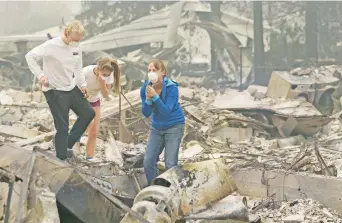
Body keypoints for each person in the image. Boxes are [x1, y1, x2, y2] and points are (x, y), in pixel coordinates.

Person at [25, 20, 95, 161]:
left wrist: (82, 85)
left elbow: (78, 67)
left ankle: (65, 145)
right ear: (66, 33)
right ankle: (61, 157)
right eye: (74, 40)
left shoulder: (77, 47)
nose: (76, 43)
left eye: (79, 40)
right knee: (62, 127)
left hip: (70, 86)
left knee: (88, 113)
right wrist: (41, 75)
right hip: (54, 90)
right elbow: (30, 56)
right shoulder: (51, 46)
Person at [140, 59, 185, 185]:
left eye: (155, 70)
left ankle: (172, 191)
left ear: (163, 72)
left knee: (170, 164)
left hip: (174, 126)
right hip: (156, 128)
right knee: (148, 161)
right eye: (149, 71)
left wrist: (155, 97)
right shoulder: (145, 88)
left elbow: (166, 111)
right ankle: (154, 188)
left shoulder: (172, 88)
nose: (151, 73)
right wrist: (148, 100)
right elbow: (146, 113)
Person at [76, 57, 121, 161]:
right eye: (104, 74)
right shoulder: (86, 72)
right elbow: (74, 87)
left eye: (107, 75)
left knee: (94, 131)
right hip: (81, 99)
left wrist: (102, 83)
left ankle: (89, 157)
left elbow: (105, 95)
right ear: (98, 68)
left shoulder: (108, 77)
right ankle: (74, 145)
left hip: (95, 100)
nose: (105, 76)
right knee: (88, 123)